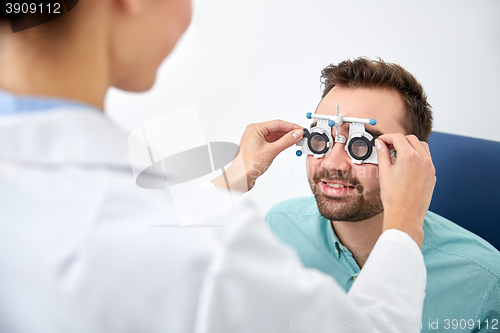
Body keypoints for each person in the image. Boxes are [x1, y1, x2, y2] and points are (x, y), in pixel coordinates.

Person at [0, 1, 436, 332]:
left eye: (362, 145)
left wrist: (234, 176)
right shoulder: (228, 250)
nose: (191, 13)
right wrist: (404, 227)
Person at [265, 58, 500, 333]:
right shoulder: (277, 229)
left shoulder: (484, 283)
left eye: (362, 145)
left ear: (414, 160)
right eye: (321, 139)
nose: (332, 164)